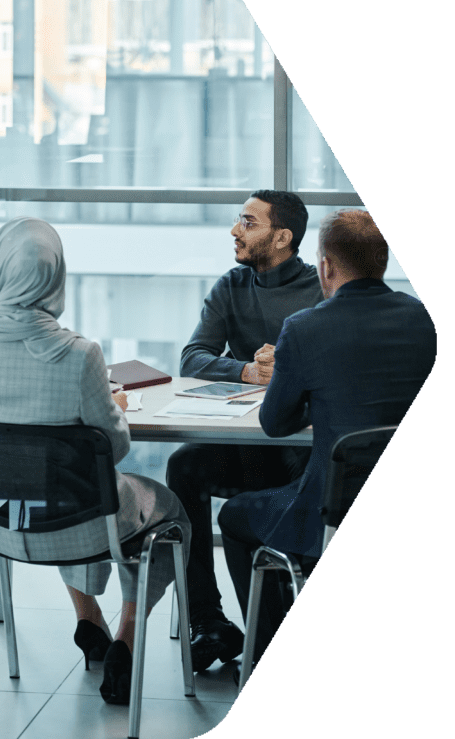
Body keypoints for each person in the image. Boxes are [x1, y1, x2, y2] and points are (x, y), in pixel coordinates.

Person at [0, 217, 191, 705]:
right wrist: (111, 410)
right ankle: (127, 633)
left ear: (0, 270)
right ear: (56, 277)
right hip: (82, 528)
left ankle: (87, 616)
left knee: (49, 487)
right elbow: (113, 450)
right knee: (165, 506)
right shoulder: (80, 354)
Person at [219, 209, 436, 667]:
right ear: (382, 262)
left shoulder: (304, 327)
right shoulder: (426, 319)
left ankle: (268, 661)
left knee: (237, 515)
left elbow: (275, 424)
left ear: (326, 266)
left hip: (330, 517)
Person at [167, 190, 325, 671]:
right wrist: (244, 372)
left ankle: (275, 624)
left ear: (282, 237)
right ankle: (207, 620)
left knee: (284, 476)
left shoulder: (321, 290)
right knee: (182, 468)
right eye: (239, 220)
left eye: (248, 223)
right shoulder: (231, 285)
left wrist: (288, 367)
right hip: (241, 442)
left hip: (294, 447)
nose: (235, 230)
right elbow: (192, 357)